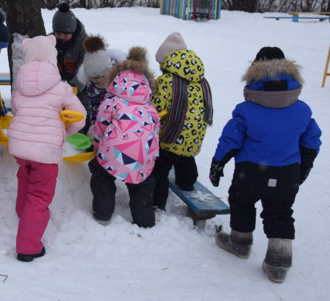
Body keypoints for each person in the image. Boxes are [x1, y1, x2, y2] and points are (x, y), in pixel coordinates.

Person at [209, 47, 321, 283]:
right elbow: (311, 141)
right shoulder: (302, 110)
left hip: (250, 172)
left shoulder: (246, 110)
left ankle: (240, 243)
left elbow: (230, 140)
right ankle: (278, 263)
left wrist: (218, 163)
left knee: (241, 203)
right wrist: (305, 166)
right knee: (280, 211)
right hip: (287, 171)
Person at [8, 35, 86, 262]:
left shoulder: (20, 84)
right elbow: (80, 118)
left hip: (20, 146)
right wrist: (63, 132)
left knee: (25, 177)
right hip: (45, 151)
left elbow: (16, 109)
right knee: (40, 196)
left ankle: (24, 215)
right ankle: (28, 247)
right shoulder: (61, 88)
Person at [89, 47, 160, 228]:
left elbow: (100, 127)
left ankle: (103, 213)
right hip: (143, 154)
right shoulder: (149, 107)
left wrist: (97, 146)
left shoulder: (111, 102)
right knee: (142, 184)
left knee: (102, 175)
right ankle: (144, 219)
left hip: (113, 152)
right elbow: (155, 131)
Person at [150, 32, 213, 210]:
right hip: (194, 137)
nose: (160, 67)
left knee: (160, 169)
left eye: (161, 63)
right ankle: (187, 182)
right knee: (185, 158)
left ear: (169, 62)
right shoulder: (202, 80)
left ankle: (157, 201)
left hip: (171, 136)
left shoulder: (165, 81)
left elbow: (156, 108)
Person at [75, 34, 126, 133]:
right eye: (91, 78)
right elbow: (94, 106)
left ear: (107, 72)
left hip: (121, 121)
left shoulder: (119, 82)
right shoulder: (92, 86)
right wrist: (94, 124)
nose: (94, 81)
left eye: (97, 77)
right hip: (103, 119)